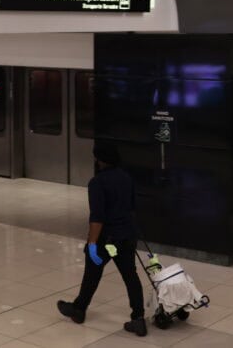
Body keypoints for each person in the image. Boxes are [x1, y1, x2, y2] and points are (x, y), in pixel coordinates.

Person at [58, 142, 147, 336]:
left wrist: (91, 244)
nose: (96, 161)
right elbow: (132, 208)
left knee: (92, 273)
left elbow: (97, 218)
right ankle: (138, 318)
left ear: (101, 160)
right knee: (130, 275)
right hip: (127, 236)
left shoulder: (97, 183)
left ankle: (79, 310)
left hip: (107, 240)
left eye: (97, 158)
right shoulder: (127, 178)